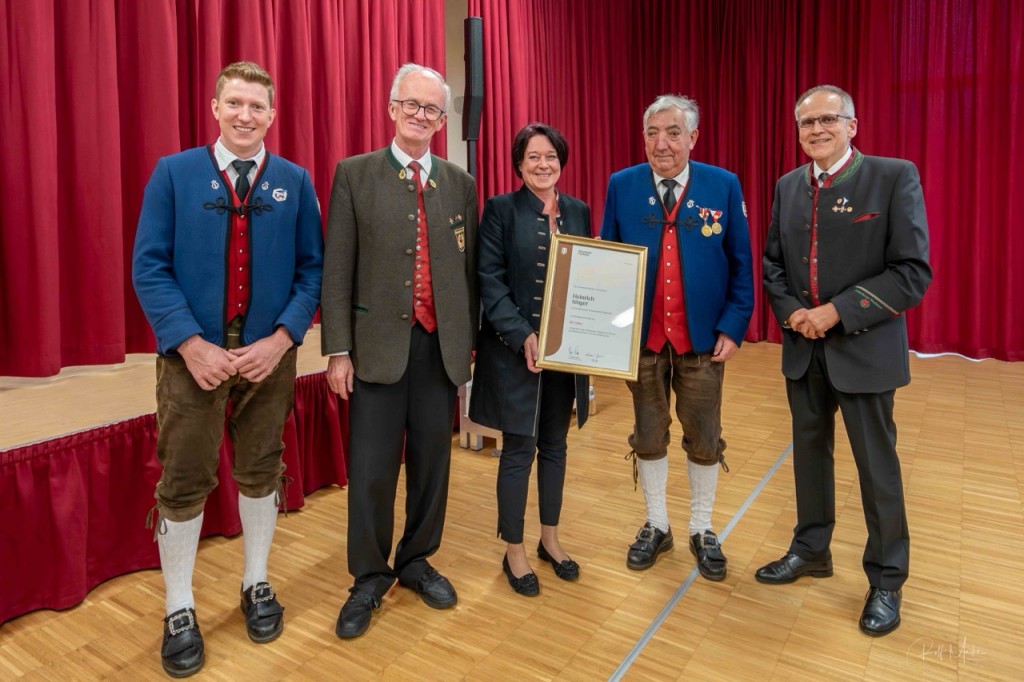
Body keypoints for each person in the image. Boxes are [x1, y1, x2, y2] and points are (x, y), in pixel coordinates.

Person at [132, 61, 323, 677]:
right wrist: (191, 345)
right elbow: (149, 267)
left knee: (263, 469)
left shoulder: (294, 181)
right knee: (184, 479)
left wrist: (282, 339)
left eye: (257, 106)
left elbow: (312, 271)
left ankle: (256, 581)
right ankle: (179, 606)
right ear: (215, 108)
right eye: (235, 103)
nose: (245, 115)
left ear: (272, 115)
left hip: (269, 357)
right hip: (192, 360)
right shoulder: (173, 174)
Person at [758, 85, 931, 636]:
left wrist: (836, 311)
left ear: (852, 125)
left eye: (828, 119)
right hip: (803, 349)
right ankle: (811, 549)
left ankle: (887, 579)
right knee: (809, 460)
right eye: (807, 122)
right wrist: (794, 314)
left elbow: (911, 272)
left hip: (864, 351)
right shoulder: (787, 185)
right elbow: (773, 265)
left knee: (877, 470)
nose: (817, 130)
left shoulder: (893, 176)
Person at [321, 63, 478, 639]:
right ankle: (369, 575)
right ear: (392, 109)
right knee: (371, 469)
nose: (420, 115)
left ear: (441, 121)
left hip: (440, 349)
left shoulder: (459, 184)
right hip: (375, 350)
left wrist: (468, 345)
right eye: (411, 104)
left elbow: (468, 274)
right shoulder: (354, 175)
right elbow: (337, 271)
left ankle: (415, 560)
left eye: (431, 108)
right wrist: (338, 350)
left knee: (434, 463)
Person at [600, 94, 754, 582]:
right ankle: (657, 523)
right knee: (648, 434)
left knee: (704, 437)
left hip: (703, 341)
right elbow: (606, 261)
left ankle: (702, 528)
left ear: (693, 137)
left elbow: (742, 264)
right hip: (641, 342)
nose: (661, 143)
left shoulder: (723, 185)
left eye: (672, 132)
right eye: (652, 133)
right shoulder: (621, 184)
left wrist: (733, 325)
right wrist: (606, 330)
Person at [468, 123, 591, 596]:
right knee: (519, 451)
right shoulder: (500, 210)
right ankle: (514, 549)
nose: (543, 164)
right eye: (533, 157)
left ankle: (550, 540)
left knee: (556, 447)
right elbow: (490, 281)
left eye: (550, 156)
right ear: (519, 164)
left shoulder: (578, 211)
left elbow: (590, 278)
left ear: (562, 161)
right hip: (513, 354)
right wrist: (523, 335)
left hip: (566, 356)